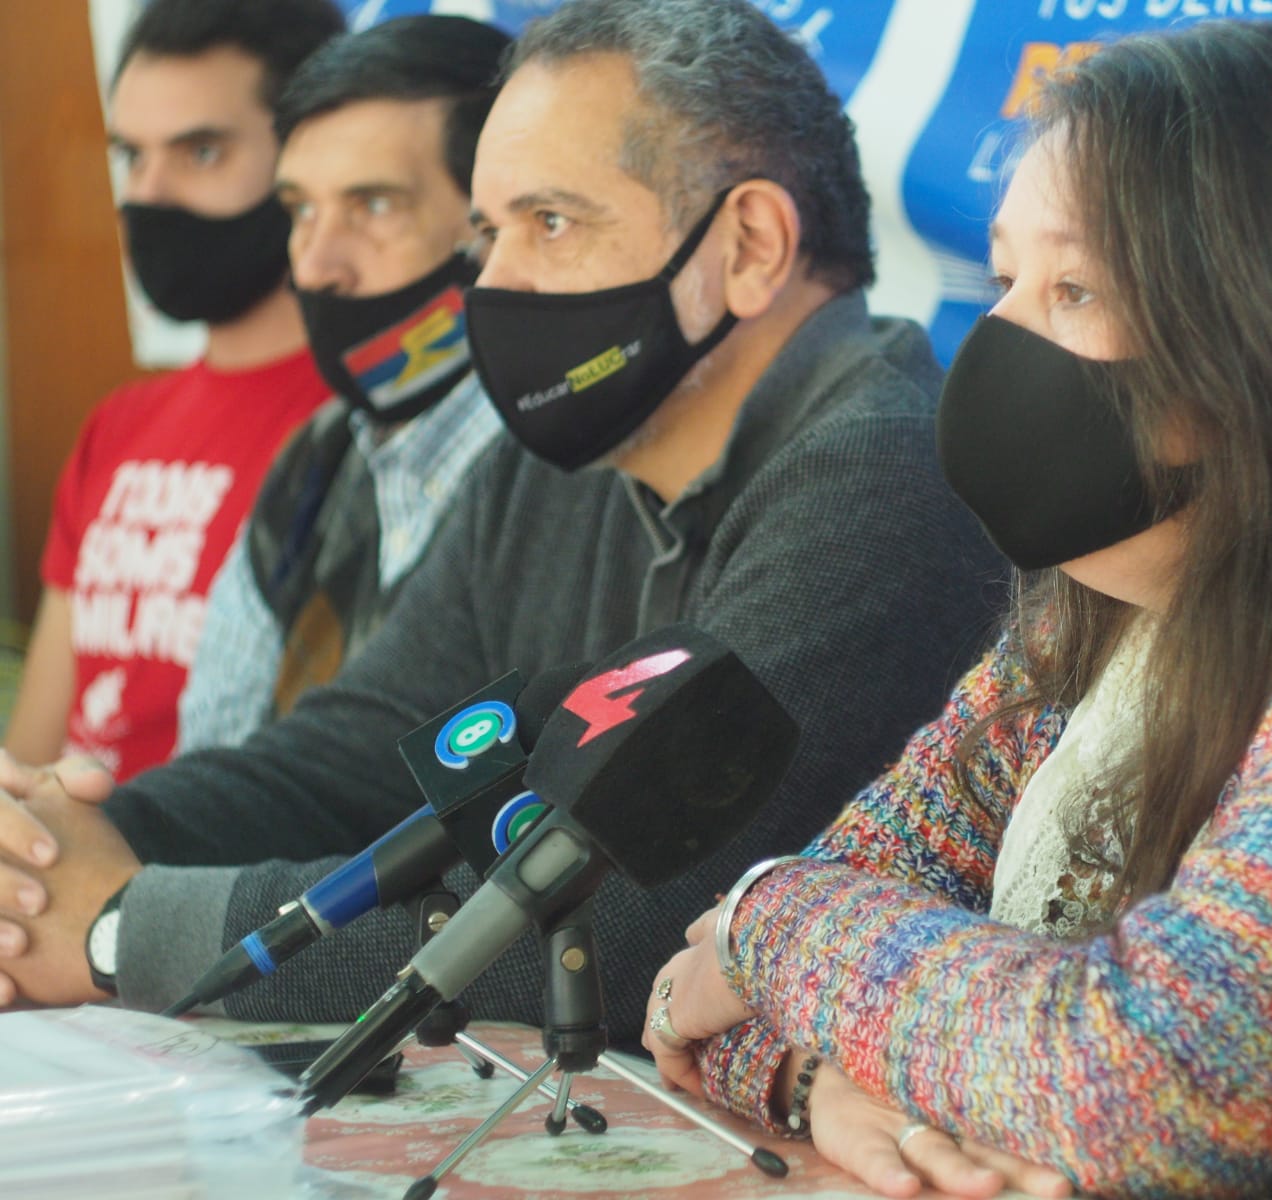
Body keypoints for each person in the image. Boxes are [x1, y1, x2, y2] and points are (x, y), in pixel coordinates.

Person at [642, 21, 1272, 1199]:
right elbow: (723, 991)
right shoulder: (1088, 618)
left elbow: (1141, 1095)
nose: (1000, 342)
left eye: (1075, 288)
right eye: (1005, 280)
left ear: (1263, 336)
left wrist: (772, 923)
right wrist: (819, 1085)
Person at [0, 0, 1003, 1039]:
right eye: (488, 234)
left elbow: (619, 928)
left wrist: (118, 928)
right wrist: (52, 850)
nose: (493, 283)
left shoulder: (887, 476)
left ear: (749, 245)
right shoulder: (569, 461)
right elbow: (354, 756)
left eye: (550, 224)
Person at [2, 0, 343, 781]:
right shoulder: (118, 425)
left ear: (307, 158)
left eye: (201, 152)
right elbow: (30, 761)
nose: (149, 194)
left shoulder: (360, 433)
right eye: (131, 155)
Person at [176, 16, 509, 752]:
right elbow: (213, 751)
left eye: (374, 206)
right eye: (301, 210)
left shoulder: (566, 463)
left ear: (492, 227)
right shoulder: (313, 460)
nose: (316, 265)